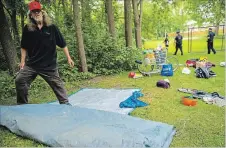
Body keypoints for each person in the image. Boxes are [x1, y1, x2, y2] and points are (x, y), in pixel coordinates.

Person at [15, 0, 74, 105]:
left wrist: (69, 58)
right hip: (32, 64)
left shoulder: (52, 28)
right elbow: (24, 47)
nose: (36, 13)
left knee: (58, 86)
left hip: (49, 66)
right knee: (20, 80)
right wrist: (22, 61)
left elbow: (63, 44)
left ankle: (65, 105)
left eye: (38, 11)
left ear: (42, 12)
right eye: (34, 12)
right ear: (31, 15)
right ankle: (22, 106)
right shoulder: (28, 29)